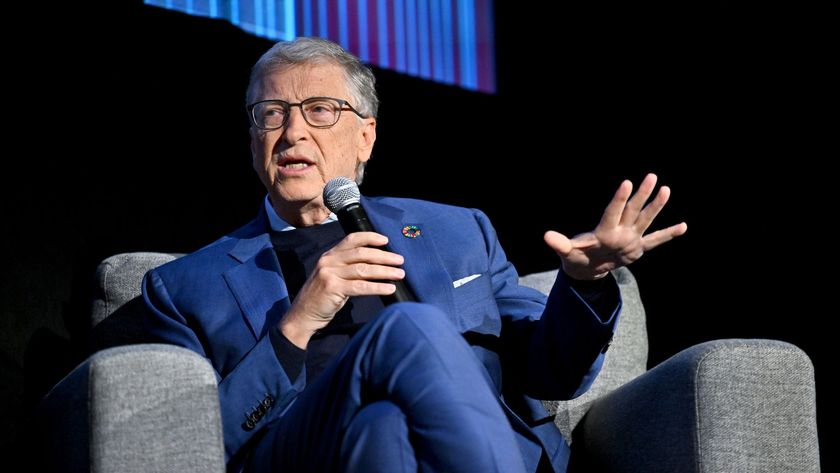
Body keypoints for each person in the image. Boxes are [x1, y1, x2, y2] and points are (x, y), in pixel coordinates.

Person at [140, 36, 687, 473]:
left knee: (383, 427)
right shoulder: (185, 286)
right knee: (409, 328)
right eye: (272, 113)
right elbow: (189, 448)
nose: (292, 131)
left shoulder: (456, 231)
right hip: (300, 450)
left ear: (365, 137)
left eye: (320, 110)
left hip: (419, 450)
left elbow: (552, 372)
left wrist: (585, 283)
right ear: (253, 137)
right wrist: (298, 323)